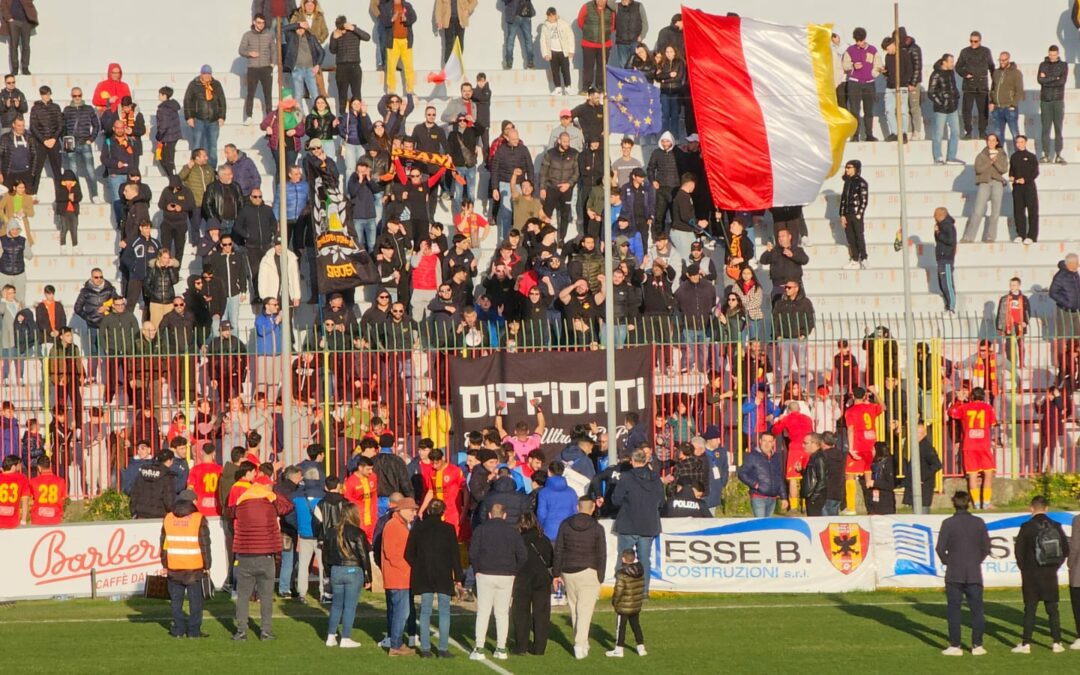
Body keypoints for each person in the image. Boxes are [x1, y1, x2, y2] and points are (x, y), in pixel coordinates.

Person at [232, 473, 294, 641]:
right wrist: (272, 494)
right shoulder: (270, 503)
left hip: (244, 553)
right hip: (266, 554)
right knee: (266, 596)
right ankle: (266, 631)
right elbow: (288, 507)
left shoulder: (242, 501)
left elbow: (231, 512)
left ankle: (241, 631)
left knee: (243, 596)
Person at [468, 502, 527, 661]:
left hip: (485, 574)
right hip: (506, 575)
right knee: (502, 613)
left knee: (483, 612)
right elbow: (523, 555)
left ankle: (479, 648)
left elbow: (472, 553)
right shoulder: (513, 532)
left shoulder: (481, 530)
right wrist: (514, 571)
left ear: (489, 515)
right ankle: (501, 648)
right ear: (505, 515)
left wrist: (477, 570)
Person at [405, 498, 462, 658]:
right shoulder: (449, 529)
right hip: (443, 573)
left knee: (425, 611)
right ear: (443, 512)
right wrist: (458, 576)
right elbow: (455, 556)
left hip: (424, 573)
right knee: (444, 611)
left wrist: (418, 565)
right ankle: (443, 648)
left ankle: (425, 648)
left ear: (428, 511)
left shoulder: (418, 528)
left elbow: (408, 553)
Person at [1013, 495, 1070, 653]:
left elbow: (1018, 551)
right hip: (1050, 574)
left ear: (1031, 509)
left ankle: (1026, 644)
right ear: (1046, 509)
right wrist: (1055, 566)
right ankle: (1057, 642)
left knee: (1030, 609)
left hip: (1031, 575)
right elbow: (1065, 550)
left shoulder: (1026, 527)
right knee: (1053, 609)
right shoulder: (1056, 525)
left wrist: (1024, 568)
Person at [937, 491, 991, 656]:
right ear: (969, 502)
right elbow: (986, 548)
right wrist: (976, 560)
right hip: (973, 573)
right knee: (977, 610)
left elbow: (940, 548)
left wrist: (949, 561)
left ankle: (955, 645)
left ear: (953, 502)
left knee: (954, 610)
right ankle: (977, 645)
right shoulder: (979, 522)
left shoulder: (948, 523)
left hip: (954, 573)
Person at [553, 497, 606, 660]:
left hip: (568, 570)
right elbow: (601, 553)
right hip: (589, 570)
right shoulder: (597, 527)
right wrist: (601, 576)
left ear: (577, 507)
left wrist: (556, 573)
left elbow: (559, 549)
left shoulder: (565, 524)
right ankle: (579, 643)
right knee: (585, 610)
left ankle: (582, 641)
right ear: (592, 509)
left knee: (575, 608)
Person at [611, 448, 663, 598]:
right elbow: (661, 501)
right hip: (649, 524)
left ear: (632, 461)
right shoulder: (655, 478)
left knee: (624, 558)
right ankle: (644, 591)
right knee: (644, 560)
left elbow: (616, 499)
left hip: (628, 523)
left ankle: (622, 590)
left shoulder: (626, 477)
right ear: (646, 461)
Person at [160, 489, 211, 639]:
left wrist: (165, 563)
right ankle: (194, 631)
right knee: (196, 602)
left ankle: (178, 630)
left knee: (176, 602)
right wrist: (207, 566)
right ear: (193, 502)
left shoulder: (168, 517)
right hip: (194, 567)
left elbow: (163, 543)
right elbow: (205, 545)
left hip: (174, 566)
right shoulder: (198, 518)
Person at [323, 502, 372, 648]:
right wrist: (368, 577)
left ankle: (331, 637)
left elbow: (325, 555)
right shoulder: (358, 532)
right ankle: (345, 638)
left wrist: (328, 572)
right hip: (353, 571)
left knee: (336, 605)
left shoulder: (331, 532)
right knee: (350, 606)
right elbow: (364, 556)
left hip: (336, 571)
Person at [948, 387, 997, 510]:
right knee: (988, 474)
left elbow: (952, 412)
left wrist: (959, 401)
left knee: (973, 475)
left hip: (969, 445)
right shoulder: (988, 408)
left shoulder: (965, 407)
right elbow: (993, 423)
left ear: (972, 397)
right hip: (984, 444)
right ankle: (986, 503)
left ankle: (976, 503)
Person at [511, 511, 553, 656]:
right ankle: (539, 647)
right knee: (541, 614)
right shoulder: (544, 539)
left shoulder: (517, 541)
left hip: (522, 580)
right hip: (542, 579)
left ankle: (521, 646)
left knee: (520, 613)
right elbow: (549, 560)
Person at [381, 496, 418, 656]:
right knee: (401, 612)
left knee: (400, 611)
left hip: (400, 576)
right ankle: (395, 645)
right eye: (411, 510)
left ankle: (396, 642)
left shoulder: (400, 525)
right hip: (398, 577)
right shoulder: (393, 526)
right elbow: (392, 553)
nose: (414, 513)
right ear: (401, 510)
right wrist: (408, 567)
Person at [844, 387, 881, 515]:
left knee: (850, 475)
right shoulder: (871, 407)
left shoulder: (850, 411)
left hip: (858, 446)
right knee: (869, 477)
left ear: (853, 396)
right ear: (865, 395)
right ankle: (874, 508)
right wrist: (875, 393)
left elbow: (850, 429)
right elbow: (883, 407)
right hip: (870, 446)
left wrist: (851, 448)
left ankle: (851, 508)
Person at [842, 27, 882, 142]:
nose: (859, 43)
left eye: (861, 40)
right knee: (854, 111)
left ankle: (869, 134)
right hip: (854, 83)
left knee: (869, 110)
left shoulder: (873, 50)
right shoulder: (850, 50)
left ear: (864, 39)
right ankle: (855, 135)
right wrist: (853, 66)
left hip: (869, 84)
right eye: (857, 40)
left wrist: (873, 74)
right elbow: (845, 65)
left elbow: (878, 64)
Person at [183, 66, 227, 169]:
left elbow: (222, 101)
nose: (207, 76)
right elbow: (187, 101)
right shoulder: (194, 84)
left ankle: (211, 169)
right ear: (201, 74)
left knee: (212, 146)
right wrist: (188, 117)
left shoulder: (216, 85)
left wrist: (222, 116)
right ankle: (196, 168)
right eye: (205, 73)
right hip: (198, 119)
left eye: (209, 74)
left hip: (213, 120)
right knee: (198, 145)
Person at [606, 548, 646, 658]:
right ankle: (641, 647)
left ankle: (619, 649)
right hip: (636, 604)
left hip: (624, 605)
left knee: (621, 627)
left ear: (623, 558)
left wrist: (615, 602)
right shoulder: (640, 571)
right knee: (636, 626)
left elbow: (618, 590)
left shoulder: (622, 574)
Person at [736, 432, 788, 517]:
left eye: (769, 441)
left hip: (772, 498)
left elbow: (779, 478)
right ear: (760, 441)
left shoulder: (776, 457)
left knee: (768, 526)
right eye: (764, 441)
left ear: (773, 442)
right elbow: (742, 473)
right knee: (760, 524)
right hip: (758, 497)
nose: (767, 444)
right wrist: (755, 485)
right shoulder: (752, 456)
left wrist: (784, 497)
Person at [955, 31, 993, 140]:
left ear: (980, 41)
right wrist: (965, 74)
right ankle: (968, 131)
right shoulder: (965, 52)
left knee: (983, 111)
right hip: (969, 86)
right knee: (967, 111)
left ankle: (982, 132)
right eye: (971, 41)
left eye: (975, 41)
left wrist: (995, 80)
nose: (973, 43)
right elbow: (958, 67)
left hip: (982, 86)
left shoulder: (986, 51)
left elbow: (991, 66)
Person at [927, 53, 963, 165]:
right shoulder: (936, 74)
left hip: (953, 108)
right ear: (944, 62)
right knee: (938, 134)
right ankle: (938, 157)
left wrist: (956, 96)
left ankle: (951, 157)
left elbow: (953, 87)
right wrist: (941, 102)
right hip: (941, 110)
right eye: (951, 62)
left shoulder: (951, 73)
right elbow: (931, 92)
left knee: (956, 132)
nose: (953, 64)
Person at [1037, 45, 1067, 164]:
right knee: (1045, 128)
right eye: (1050, 55)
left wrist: (1048, 79)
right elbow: (1040, 80)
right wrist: (1055, 77)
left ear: (1058, 54)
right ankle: (1045, 154)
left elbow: (1062, 81)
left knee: (1058, 128)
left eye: (1054, 55)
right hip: (1045, 100)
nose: (1052, 57)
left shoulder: (1063, 65)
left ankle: (1058, 154)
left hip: (1058, 100)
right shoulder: (1042, 65)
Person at [380, 0, 418, 96]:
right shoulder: (386, 6)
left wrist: (406, 19)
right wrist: (392, 19)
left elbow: (414, 18)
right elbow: (384, 22)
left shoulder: (407, 5)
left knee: (409, 66)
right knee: (391, 66)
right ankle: (391, 90)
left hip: (406, 40)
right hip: (393, 41)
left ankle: (410, 89)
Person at [1009, 135, 1039, 245]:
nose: (1019, 144)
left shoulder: (1031, 156)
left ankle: (1032, 235)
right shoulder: (1013, 156)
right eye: (1017, 142)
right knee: (1018, 211)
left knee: (1032, 211)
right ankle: (1020, 234)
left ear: (1025, 143)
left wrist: (1025, 180)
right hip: (1017, 188)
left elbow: (1035, 172)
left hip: (1029, 187)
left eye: (1021, 142)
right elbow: (1011, 170)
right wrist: (1012, 177)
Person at [839, 160, 868, 269]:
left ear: (856, 168)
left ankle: (864, 258)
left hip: (855, 214)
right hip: (847, 214)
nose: (847, 169)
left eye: (849, 167)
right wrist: (842, 215)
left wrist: (859, 214)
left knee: (859, 236)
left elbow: (864, 200)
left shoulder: (862, 183)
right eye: (846, 167)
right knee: (850, 237)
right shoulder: (847, 183)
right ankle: (855, 259)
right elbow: (843, 200)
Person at [539, 7, 574, 96]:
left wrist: (571, 50)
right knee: (555, 71)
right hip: (552, 51)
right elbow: (542, 40)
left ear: (555, 15)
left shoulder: (563, 24)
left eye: (552, 16)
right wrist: (545, 54)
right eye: (548, 16)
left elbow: (570, 37)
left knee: (565, 70)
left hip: (563, 51)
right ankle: (557, 88)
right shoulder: (545, 26)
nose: (550, 18)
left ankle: (568, 87)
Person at [0, 0, 35, 75]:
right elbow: (3, 5)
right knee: (13, 46)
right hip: (13, 22)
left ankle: (25, 68)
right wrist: (8, 18)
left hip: (26, 21)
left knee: (26, 45)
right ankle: (15, 68)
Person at [933, 206, 957, 313]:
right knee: (942, 283)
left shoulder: (948, 226)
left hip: (946, 258)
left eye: (935, 215)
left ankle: (951, 307)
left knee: (947, 283)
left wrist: (938, 233)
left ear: (940, 215)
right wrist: (937, 233)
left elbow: (950, 241)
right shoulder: (942, 226)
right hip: (941, 258)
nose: (934, 217)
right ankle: (948, 305)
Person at [500, 0, 533, 71]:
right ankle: (509, 62)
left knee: (529, 39)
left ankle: (530, 61)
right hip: (513, 16)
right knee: (510, 40)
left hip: (526, 16)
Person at [800, 433, 827, 516]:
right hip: (812, 496)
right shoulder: (814, 457)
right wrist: (802, 471)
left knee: (816, 524)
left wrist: (813, 497)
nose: (803, 445)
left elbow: (822, 480)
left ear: (814, 443)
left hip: (816, 498)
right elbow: (812, 476)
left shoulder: (819, 458)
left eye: (806, 443)